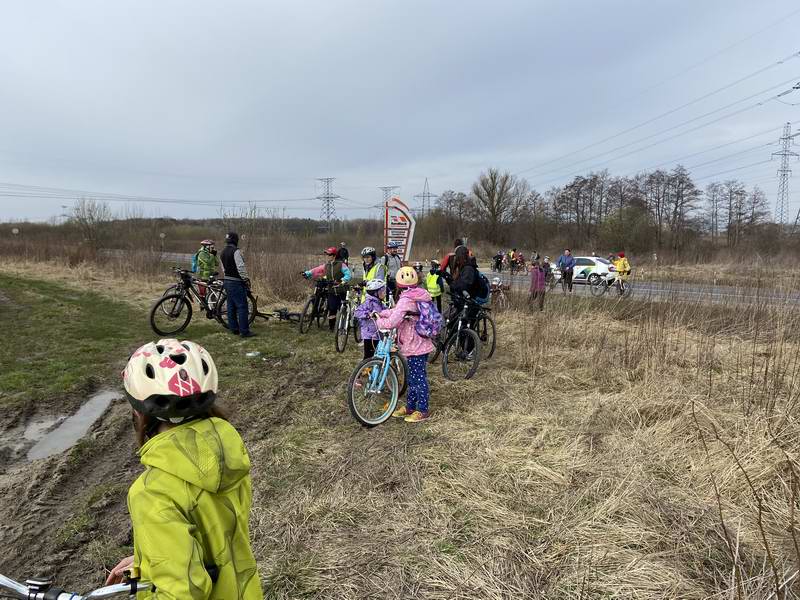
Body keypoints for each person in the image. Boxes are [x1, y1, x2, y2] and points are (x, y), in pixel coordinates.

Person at [106, 339, 263, 599]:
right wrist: (147, 560)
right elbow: (213, 542)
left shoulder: (152, 492)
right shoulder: (228, 455)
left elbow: (183, 592)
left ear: (139, 411)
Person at [375, 267, 435, 423]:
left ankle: (422, 410)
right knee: (414, 377)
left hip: (415, 344)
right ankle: (410, 407)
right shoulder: (417, 294)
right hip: (419, 342)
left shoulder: (406, 299)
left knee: (418, 378)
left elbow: (393, 321)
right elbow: (399, 312)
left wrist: (378, 320)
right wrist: (384, 312)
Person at [303, 246, 352, 331]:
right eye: (327, 255)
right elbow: (316, 270)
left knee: (342, 308)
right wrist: (307, 273)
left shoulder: (341, 264)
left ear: (334, 255)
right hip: (331, 290)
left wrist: (342, 280)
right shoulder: (327, 265)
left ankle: (343, 327)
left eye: (329, 255)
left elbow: (348, 274)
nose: (327, 256)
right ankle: (332, 328)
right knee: (332, 309)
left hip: (341, 290)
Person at [220, 232, 255, 337]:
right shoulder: (236, 251)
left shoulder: (222, 252)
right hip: (236, 282)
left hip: (227, 281)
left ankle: (234, 329)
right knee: (242, 306)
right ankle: (244, 331)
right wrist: (246, 279)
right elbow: (240, 267)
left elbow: (223, 269)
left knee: (231, 306)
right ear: (236, 240)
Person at [354, 279, 386, 359]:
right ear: (376, 293)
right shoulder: (369, 302)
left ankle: (373, 369)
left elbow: (385, 311)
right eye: (382, 291)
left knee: (376, 354)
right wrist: (368, 314)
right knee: (368, 357)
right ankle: (365, 370)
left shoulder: (379, 302)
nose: (384, 293)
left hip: (377, 333)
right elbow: (357, 312)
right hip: (369, 335)